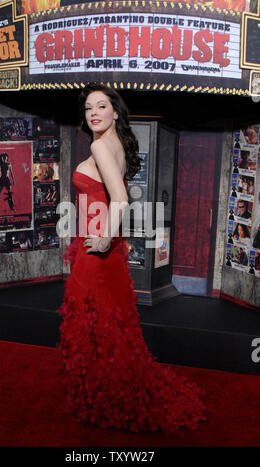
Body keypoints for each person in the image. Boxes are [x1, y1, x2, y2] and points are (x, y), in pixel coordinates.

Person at [56, 82, 206, 434]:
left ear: (115, 112)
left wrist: (106, 239)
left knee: (92, 319)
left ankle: (104, 394)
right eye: (88, 107)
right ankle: (107, 389)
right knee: (108, 320)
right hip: (99, 244)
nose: (93, 113)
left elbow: (120, 198)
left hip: (98, 247)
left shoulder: (99, 145)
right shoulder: (116, 143)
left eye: (101, 106)